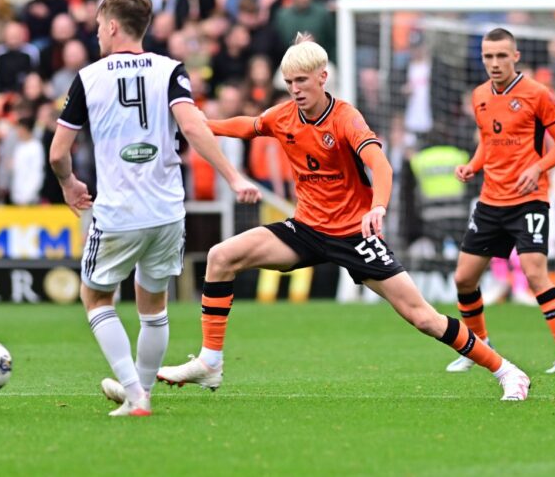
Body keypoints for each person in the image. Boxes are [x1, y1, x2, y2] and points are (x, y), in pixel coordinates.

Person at [157, 34, 532, 401]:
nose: (295, 89)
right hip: (306, 229)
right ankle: (210, 361)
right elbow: (250, 126)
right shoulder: (284, 116)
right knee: (221, 257)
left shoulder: (346, 119)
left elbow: (379, 165)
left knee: (423, 318)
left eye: (302, 81)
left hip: (355, 234)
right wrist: (203, 124)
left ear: (323, 77)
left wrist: (379, 206)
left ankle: (507, 371)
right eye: (288, 82)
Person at [48, 0, 261, 417]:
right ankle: (142, 391)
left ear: (111, 26)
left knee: (96, 299)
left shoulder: (89, 77)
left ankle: (134, 390)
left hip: (118, 211)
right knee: (154, 306)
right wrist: (233, 176)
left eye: (96, 26)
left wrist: (69, 183)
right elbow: (195, 128)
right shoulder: (170, 70)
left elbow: (57, 152)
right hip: (166, 211)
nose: (96, 34)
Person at [445, 27, 555, 375]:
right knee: (463, 279)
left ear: (515, 56)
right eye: (488, 56)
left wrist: (538, 168)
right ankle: (479, 347)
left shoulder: (537, 94)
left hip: (528, 200)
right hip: (491, 200)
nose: (494, 63)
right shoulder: (479, 96)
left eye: (501, 56)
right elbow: (488, 141)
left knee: (536, 274)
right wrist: (472, 167)